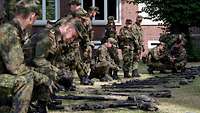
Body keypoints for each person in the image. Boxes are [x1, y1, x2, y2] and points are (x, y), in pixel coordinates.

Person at [0, 0, 51, 113]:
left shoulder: (14, 30)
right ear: (32, 16)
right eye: (36, 18)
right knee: (25, 80)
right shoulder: (8, 32)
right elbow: (17, 68)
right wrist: (40, 77)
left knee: (37, 76)